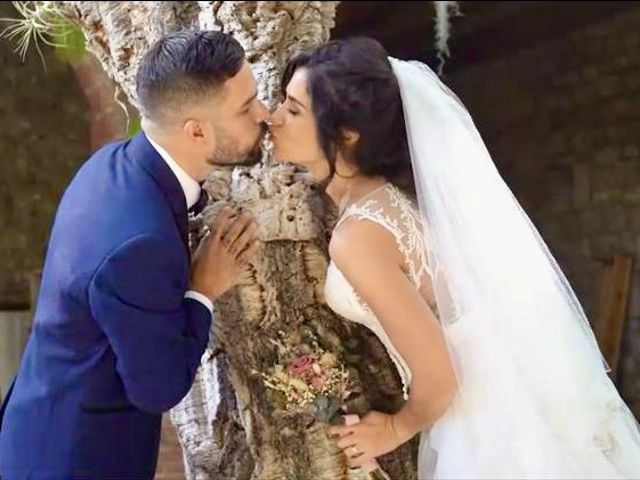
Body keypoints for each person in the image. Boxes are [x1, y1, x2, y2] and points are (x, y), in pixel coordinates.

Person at [269, 36, 640, 479]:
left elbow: (441, 373)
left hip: (483, 424)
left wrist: (393, 428)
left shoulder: (358, 236)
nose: (273, 118)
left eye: (293, 110)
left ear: (347, 135)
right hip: (507, 398)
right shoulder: (393, 203)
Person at [0, 30, 266, 480]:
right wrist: (202, 290)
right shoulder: (138, 246)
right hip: (76, 461)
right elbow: (157, 389)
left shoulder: (111, 163)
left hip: (36, 422)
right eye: (246, 107)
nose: (264, 114)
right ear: (196, 130)